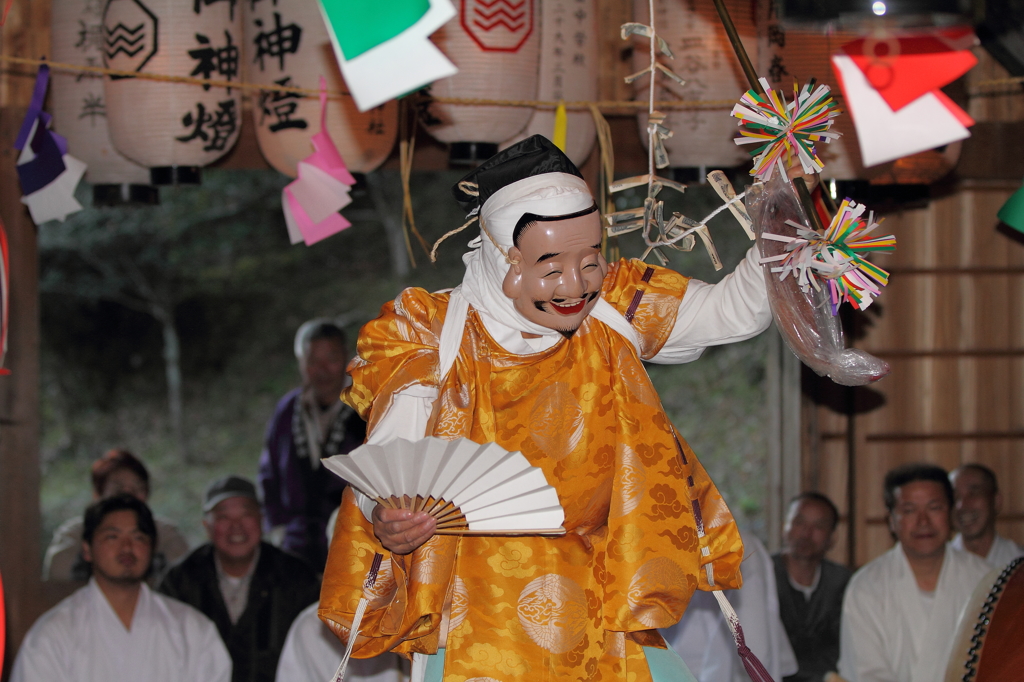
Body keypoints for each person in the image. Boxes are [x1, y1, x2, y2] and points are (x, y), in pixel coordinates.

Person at [319, 136, 773, 682]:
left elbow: (734, 311)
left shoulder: (612, 309)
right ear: (500, 256)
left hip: (597, 595)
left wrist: (785, 234)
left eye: (589, 261)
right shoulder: (432, 334)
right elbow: (389, 462)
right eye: (550, 266)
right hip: (471, 604)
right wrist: (386, 519)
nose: (575, 285)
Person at [12, 494, 231, 682]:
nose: (127, 547)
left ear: (152, 549)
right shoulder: (54, 634)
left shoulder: (191, 630)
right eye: (112, 536)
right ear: (87, 549)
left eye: (138, 537)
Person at [159, 475, 320, 682]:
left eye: (246, 515)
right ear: (207, 526)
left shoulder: (296, 578)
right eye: (223, 517)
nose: (236, 526)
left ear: (262, 520)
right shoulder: (180, 581)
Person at [838, 464, 990, 682]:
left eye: (934, 507)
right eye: (909, 511)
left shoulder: (985, 580)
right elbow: (866, 673)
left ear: (951, 512)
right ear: (891, 520)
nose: (923, 522)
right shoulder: (867, 587)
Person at [258, 320, 366, 570]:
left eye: (331, 358)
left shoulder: (366, 409)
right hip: (295, 545)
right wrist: (278, 527)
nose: (322, 369)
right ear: (300, 363)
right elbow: (269, 472)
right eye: (312, 361)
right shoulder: (287, 411)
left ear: (348, 358)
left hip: (354, 541)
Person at [664, 532, 798, 682]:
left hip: (714, 667)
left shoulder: (738, 543)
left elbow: (753, 631)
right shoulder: (662, 538)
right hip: (675, 664)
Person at [43, 448, 190, 582]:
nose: (128, 496)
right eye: (118, 489)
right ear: (98, 495)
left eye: (137, 488)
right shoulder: (74, 535)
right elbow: (57, 585)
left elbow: (185, 584)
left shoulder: (166, 534)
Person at [773, 492, 851, 682]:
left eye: (819, 526)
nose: (806, 533)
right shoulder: (762, 577)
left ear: (832, 538)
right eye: (799, 522)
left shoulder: (844, 582)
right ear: (785, 528)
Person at [949, 463, 1024, 568]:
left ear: (997, 501)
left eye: (973, 493)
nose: (962, 505)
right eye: (955, 497)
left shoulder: (1018, 562)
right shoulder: (940, 563)